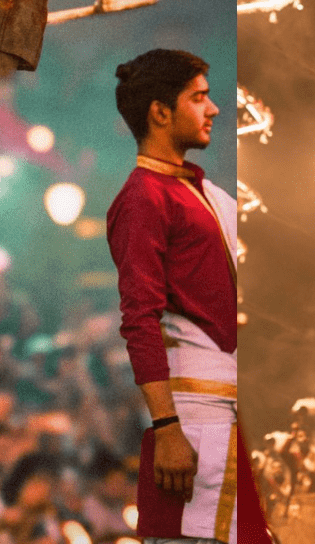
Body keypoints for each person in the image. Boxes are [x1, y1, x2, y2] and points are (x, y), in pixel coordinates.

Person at [107, 48, 266, 544]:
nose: (213, 108)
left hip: (221, 410)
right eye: (198, 98)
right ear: (160, 112)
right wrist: (167, 428)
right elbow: (140, 319)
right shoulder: (144, 196)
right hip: (192, 418)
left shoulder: (197, 189)